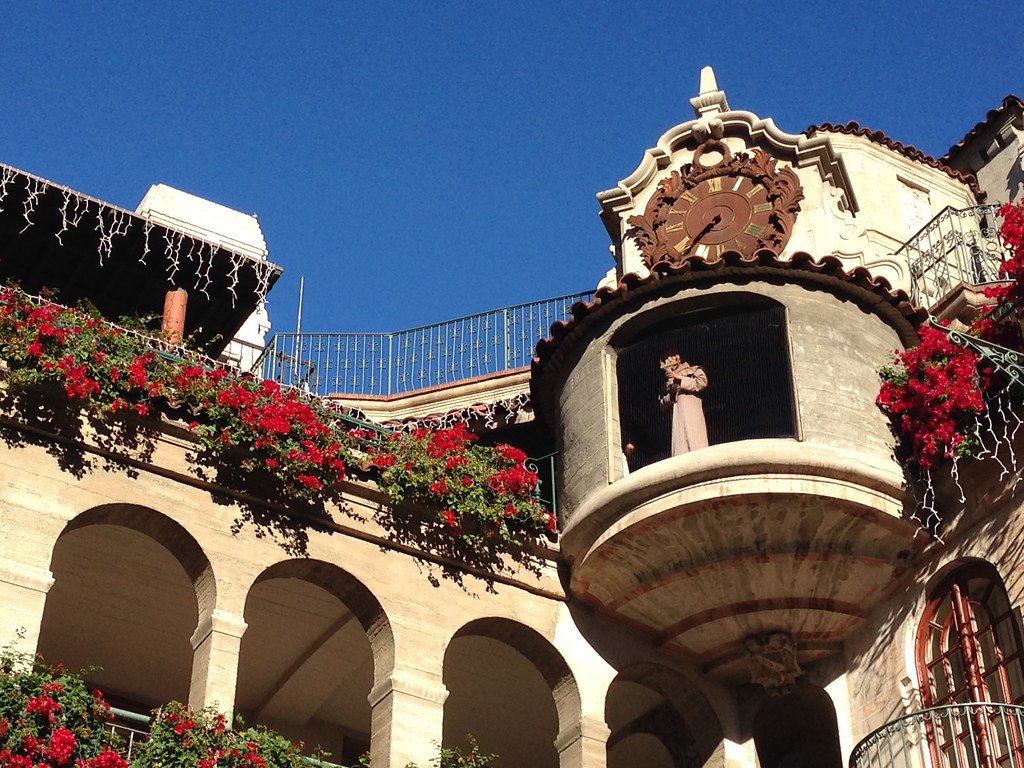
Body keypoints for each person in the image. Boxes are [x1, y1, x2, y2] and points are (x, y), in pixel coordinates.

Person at [659, 354, 709, 455]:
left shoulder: (693, 369)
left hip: (692, 416)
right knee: (681, 450)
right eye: (667, 357)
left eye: (672, 355)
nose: (670, 359)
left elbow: (702, 382)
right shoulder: (666, 383)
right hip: (678, 422)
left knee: (697, 447)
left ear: (679, 357)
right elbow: (662, 405)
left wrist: (680, 378)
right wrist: (671, 395)